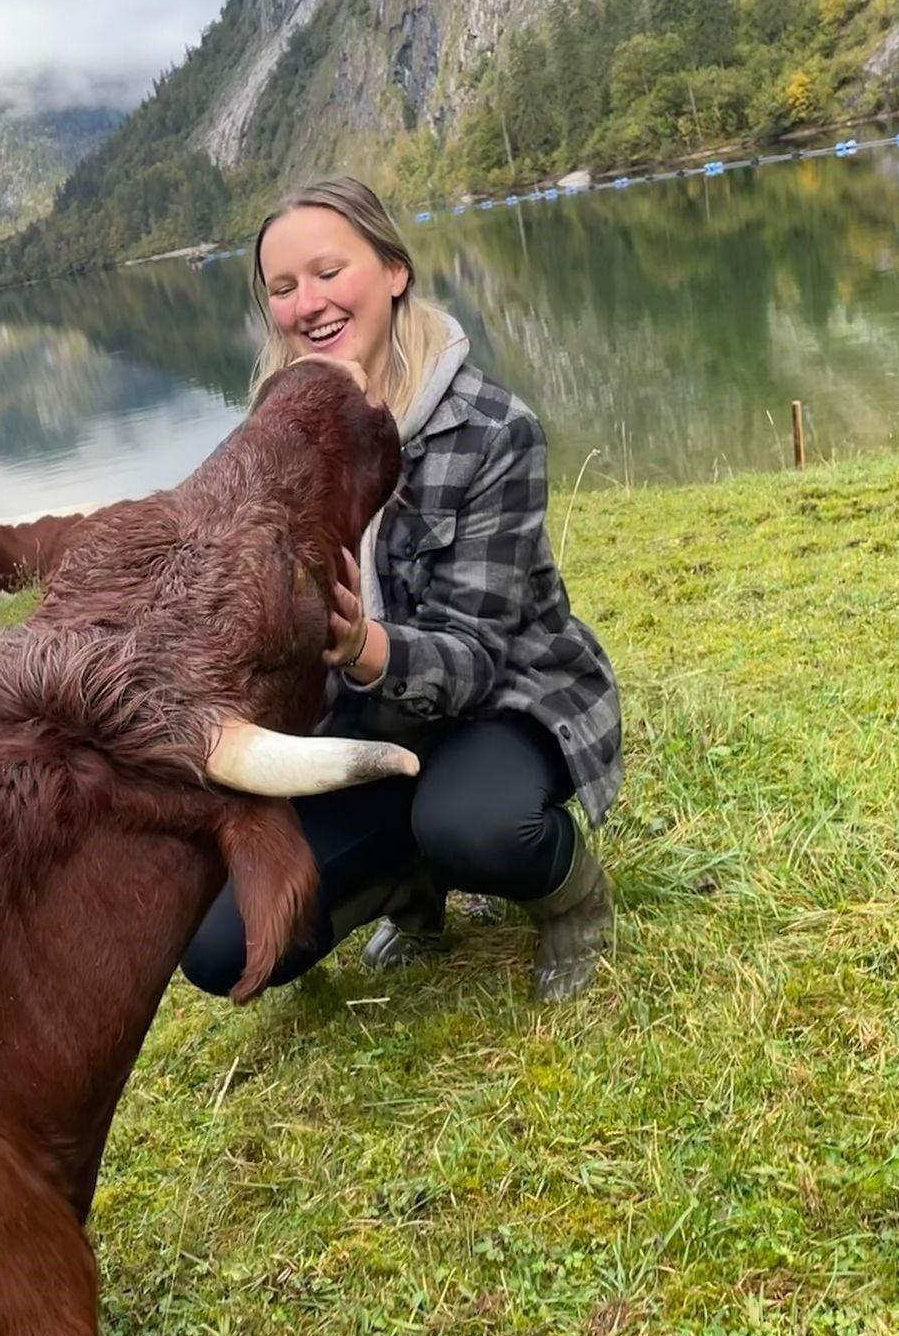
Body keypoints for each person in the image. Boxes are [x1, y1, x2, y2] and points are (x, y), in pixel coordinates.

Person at [178, 177, 622, 1003]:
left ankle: (571, 894)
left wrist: (362, 645)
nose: (307, 303)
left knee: (472, 825)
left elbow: (481, 659)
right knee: (220, 947)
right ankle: (406, 881)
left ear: (393, 271)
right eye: (283, 288)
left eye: (327, 271)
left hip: (502, 708)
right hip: (361, 727)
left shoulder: (494, 430)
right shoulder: (260, 445)